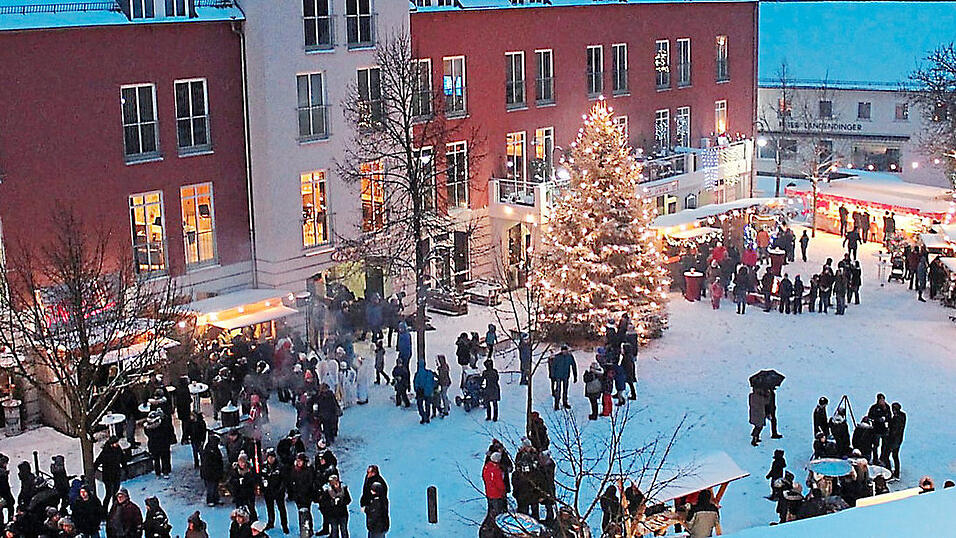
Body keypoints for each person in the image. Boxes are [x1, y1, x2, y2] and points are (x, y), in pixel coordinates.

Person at [260, 449, 288, 534]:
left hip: (278, 491)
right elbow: (261, 478)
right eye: (269, 457)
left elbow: (284, 479)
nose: (271, 459)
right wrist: (263, 488)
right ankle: (271, 522)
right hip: (268, 491)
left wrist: (281, 489)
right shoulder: (264, 466)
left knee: (281, 509)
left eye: (272, 457)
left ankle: (284, 525)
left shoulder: (280, 466)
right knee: (270, 508)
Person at [95, 436, 126, 513]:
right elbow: (98, 461)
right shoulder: (105, 452)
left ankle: (115, 510)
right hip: (108, 476)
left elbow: (122, 459)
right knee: (108, 494)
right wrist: (94, 469)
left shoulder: (118, 449)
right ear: (111, 444)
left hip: (116, 474)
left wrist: (125, 468)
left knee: (115, 493)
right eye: (115, 443)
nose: (117, 444)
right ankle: (104, 511)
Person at [287, 454, 315, 534]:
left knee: (306, 512)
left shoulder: (308, 469)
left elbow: (310, 482)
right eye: (298, 461)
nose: (299, 462)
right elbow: (291, 481)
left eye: (300, 461)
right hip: (297, 495)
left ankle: (309, 529)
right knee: (300, 512)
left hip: (307, 495)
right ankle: (302, 529)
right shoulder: (294, 469)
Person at [144, 409, 174, 479]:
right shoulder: (163, 425)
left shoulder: (148, 428)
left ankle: (159, 472)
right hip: (162, 444)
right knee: (163, 459)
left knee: (158, 459)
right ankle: (164, 472)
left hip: (156, 445)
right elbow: (168, 432)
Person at [482, 451, 507, 527]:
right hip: (497, 494)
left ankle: (488, 525)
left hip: (489, 492)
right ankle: (495, 527)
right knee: (498, 513)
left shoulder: (487, 467)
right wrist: (503, 491)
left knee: (491, 510)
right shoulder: (496, 470)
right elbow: (499, 483)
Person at [550, 346, 577, 410]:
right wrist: (552, 376)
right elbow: (553, 366)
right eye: (563, 351)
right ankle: (556, 404)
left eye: (565, 350)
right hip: (558, 375)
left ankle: (565, 402)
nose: (564, 352)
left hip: (566, 376)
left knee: (565, 390)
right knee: (558, 390)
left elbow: (574, 366)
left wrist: (575, 376)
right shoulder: (557, 357)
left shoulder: (570, 357)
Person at [200, 436, 224, 507]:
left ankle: (215, 499)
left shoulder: (212, 449)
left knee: (215, 487)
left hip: (214, 472)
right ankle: (210, 500)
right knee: (211, 487)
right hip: (210, 473)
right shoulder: (209, 451)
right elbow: (209, 464)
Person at [885, 402, 906, 479]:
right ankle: (897, 473)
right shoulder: (903, 416)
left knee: (886, 456)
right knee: (895, 456)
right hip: (899, 440)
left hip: (893, 441)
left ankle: (889, 472)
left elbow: (893, 430)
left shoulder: (896, 419)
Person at [413, 359, 436, 425]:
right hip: (428, 392)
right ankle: (427, 417)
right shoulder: (429, 373)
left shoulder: (418, 374)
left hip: (421, 392)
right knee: (427, 405)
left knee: (420, 405)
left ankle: (423, 416)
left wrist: (416, 390)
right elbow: (432, 382)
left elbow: (416, 383)